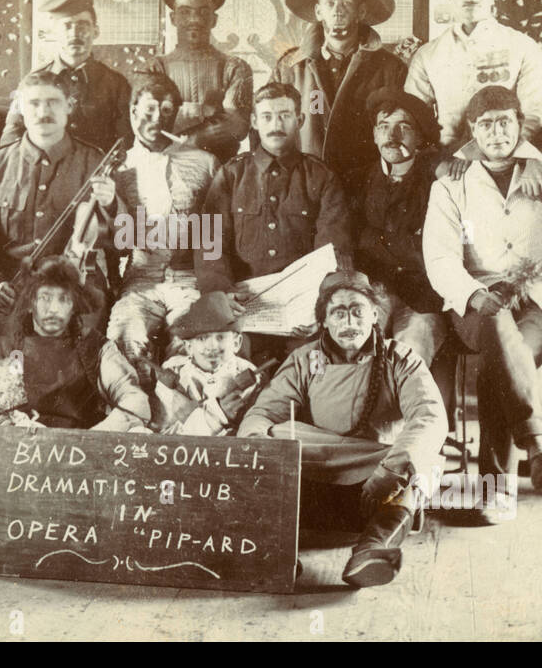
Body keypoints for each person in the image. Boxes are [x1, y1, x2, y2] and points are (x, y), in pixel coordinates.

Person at [423, 86, 542, 522]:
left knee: (504, 352)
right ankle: (537, 442)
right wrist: (472, 293)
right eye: (486, 124)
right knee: (500, 335)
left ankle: (497, 491)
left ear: (520, 124)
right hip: (475, 299)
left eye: (505, 121)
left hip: (541, 300)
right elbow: (439, 255)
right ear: (472, 129)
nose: (496, 132)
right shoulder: (452, 183)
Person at [238, 271, 448, 588]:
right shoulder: (303, 359)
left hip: (375, 483)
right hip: (313, 480)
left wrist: (390, 469)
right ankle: (274, 550)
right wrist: (260, 454)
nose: (349, 321)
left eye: (357, 310)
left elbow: (430, 417)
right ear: (323, 320)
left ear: (375, 315)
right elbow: (264, 413)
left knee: (426, 463)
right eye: (338, 312)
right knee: (274, 436)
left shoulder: (401, 359)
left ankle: (372, 550)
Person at [0, 71, 117, 348]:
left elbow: (120, 239)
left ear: (69, 105)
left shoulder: (95, 161)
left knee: (81, 353)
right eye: (34, 103)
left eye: (53, 102)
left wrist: (112, 204)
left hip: (75, 291)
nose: (43, 112)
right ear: (19, 107)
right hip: (12, 289)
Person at [197, 81, 353, 364]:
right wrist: (220, 292)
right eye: (267, 116)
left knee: (313, 368)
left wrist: (320, 308)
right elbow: (210, 242)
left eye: (284, 115)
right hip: (242, 306)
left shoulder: (322, 178)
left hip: (304, 311)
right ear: (254, 122)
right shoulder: (231, 175)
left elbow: (334, 251)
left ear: (300, 120)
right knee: (230, 370)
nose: (276, 124)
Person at [0, 257, 152, 461]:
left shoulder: (94, 347)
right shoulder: (7, 352)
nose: (53, 309)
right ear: (30, 302)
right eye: (45, 298)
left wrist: (89, 441)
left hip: (80, 462)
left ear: (74, 306)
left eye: (63, 299)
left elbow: (136, 402)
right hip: (23, 468)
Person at [106, 72, 219, 382]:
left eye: (168, 111)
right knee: (124, 335)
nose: (157, 119)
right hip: (142, 281)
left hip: (190, 280)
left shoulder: (204, 163)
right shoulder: (118, 168)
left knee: (191, 342)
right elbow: (118, 240)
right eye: (150, 109)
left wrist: (210, 285)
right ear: (133, 112)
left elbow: (214, 232)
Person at [272, 0, 409, 185]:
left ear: (361, 12)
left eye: (346, 2)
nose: (338, 10)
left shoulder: (389, 68)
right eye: (330, 3)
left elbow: (405, 131)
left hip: (366, 183)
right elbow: (268, 129)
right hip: (305, 183)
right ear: (318, 12)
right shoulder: (291, 66)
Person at [405, 0, 542, 146]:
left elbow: (537, 118)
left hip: (507, 160)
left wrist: (503, 159)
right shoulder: (427, 55)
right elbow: (413, 118)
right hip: (448, 161)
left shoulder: (523, 48)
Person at [347, 90, 447, 366]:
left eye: (404, 127)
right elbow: (351, 240)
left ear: (420, 138)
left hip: (422, 299)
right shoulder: (357, 180)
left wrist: (374, 240)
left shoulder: (439, 182)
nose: (393, 136)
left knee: (410, 357)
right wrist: (405, 243)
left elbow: (432, 252)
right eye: (384, 126)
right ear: (375, 135)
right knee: (353, 348)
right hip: (372, 291)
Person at [0, 0, 132, 151]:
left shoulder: (116, 84)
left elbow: (126, 142)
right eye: (67, 26)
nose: (74, 33)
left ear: (96, 31)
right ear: (54, 32)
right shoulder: (33, 81)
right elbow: (11, 137)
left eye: (83, 25)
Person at [146, 0, 253, 160]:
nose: (194, 19)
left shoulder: (235, 68)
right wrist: (206, 111)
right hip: (166, 172)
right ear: (173, 18)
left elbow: (237, 126)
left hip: (222, 174)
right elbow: (150, 125)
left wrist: (182, 124)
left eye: (203, 12)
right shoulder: (155, 68)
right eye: (185, 12)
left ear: (214, 19)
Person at [150, 292, 264, 436]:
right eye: (202, 338)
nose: (212, 346)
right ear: (188, 346)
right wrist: (217, 416)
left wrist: (194, 418)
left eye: (220, 337)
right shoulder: (173, 371)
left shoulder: (250, 375)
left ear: (236, 343)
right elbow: (164, 431)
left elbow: (244, 431)